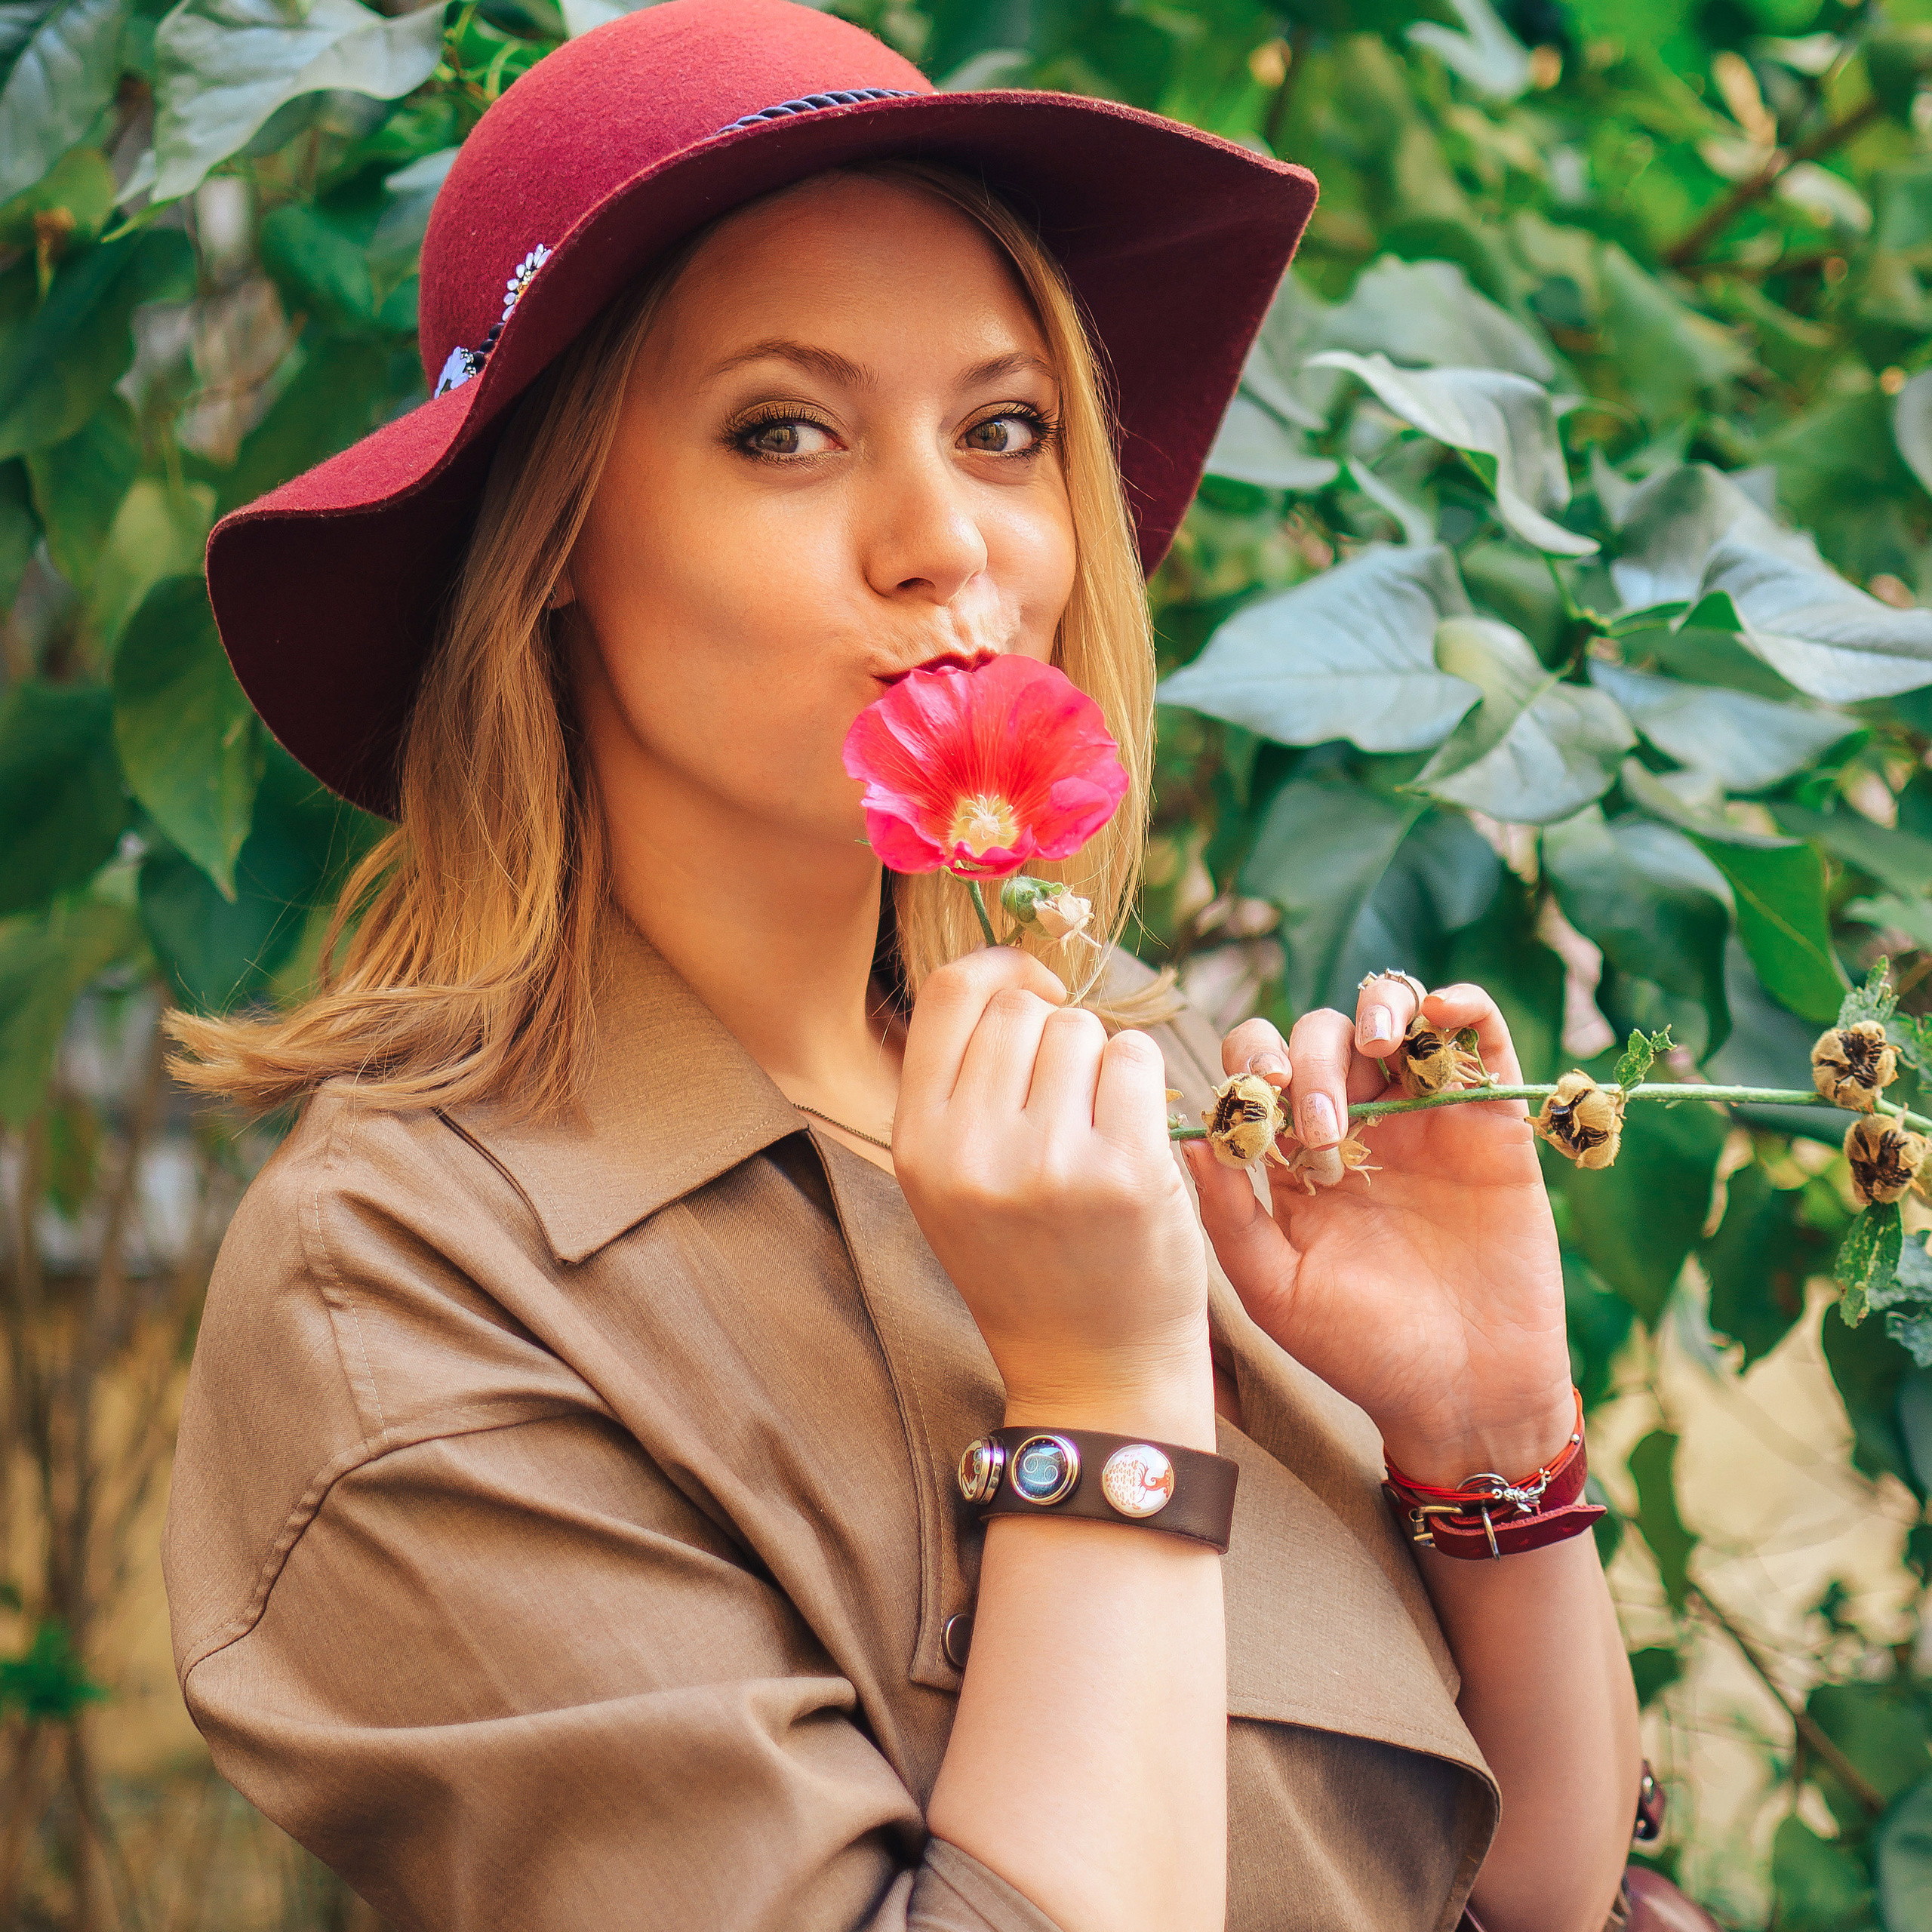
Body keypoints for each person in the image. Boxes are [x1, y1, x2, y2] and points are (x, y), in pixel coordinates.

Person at [160, 4, 1650, 1928]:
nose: (949, 542)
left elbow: (1526, 1884)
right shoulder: (408, 1286)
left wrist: (1485, 1441)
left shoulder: (1145, 1084)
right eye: (782, 431)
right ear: (547, 534)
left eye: (1002, 429)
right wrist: (1102, 1400)